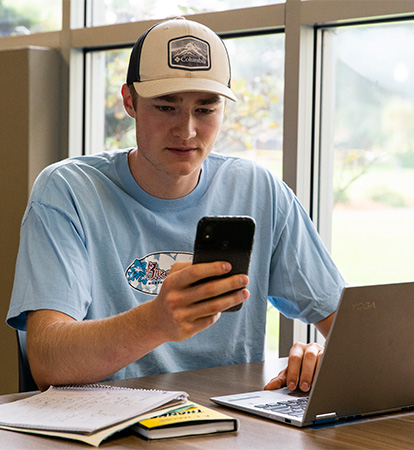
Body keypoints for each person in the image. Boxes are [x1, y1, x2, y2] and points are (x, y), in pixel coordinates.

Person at [7, 17, 345, 392]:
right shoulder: (68, 191)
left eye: (205, 108)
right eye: (166, 107)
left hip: (234, 431)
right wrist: (154, 322)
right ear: (129, 101)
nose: (186, 131)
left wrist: (318, 357)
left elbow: (348, 325)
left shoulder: (259, 190)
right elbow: (47, 361)